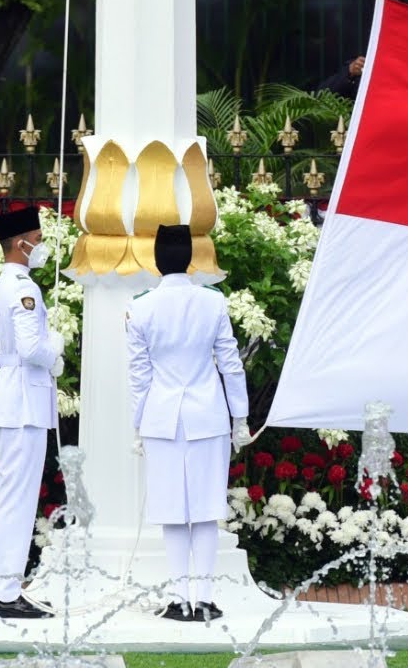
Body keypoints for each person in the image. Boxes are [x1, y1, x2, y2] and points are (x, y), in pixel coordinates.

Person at [126, 225, 252, 622]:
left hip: (162, 417)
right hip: (208, 416)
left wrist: (137, 424)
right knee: (204, 509)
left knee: (172, 510)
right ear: (190, 260)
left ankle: (181, 599)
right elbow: (231, 365)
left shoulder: (141, 305)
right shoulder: (212, 302)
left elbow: (139, 374)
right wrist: (241, 417)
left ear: (158, 262)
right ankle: (206, 597)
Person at [0, 206, 64, 620]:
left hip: (16, 402)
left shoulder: (10, 284)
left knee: (12, 496)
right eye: (38, 237)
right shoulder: (22, 288)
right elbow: (32, 350)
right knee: (16, 498)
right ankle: (7, 591)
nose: (42, 246)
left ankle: (7, 587)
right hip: (22, 405)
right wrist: (57, 351)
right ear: (21, 243)